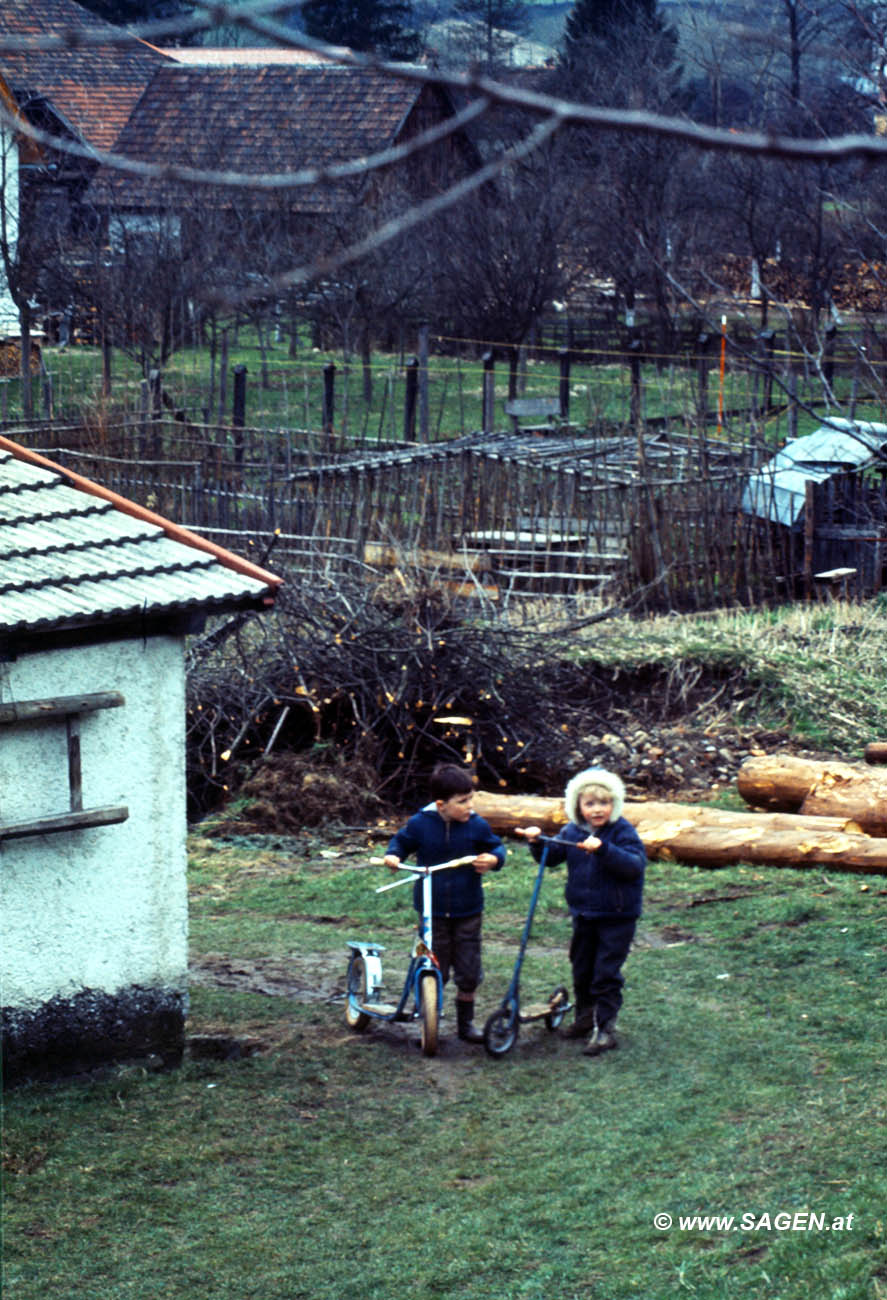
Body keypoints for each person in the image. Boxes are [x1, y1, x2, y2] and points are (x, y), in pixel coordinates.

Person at [515, 767, 646, 1056]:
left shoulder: (622, 831)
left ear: (615, 804)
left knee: (605, 973)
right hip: (585, 913)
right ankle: (585, 1019)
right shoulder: (572, 831)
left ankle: (605, 1029)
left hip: (617, 915)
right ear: (578, 806)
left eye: (604, 803)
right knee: (582, 968)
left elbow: (634, 865)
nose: (597, 809)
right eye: (590, 804)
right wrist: (538, 843)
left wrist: (604, 850)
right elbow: (553, 857)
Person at [384, 762, 505, 1044]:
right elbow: (400, 843)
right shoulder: (420, 824)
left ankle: (466, 1024)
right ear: (441, 804)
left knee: (469, 969)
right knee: (434, 964)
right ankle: (429, 1023)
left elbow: (495, 846)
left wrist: (494, 859)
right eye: (463, 802)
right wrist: (393, 856)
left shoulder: (476, 825)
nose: (470, 806)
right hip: (432, 910)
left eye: (471, 799)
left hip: (468, 909)